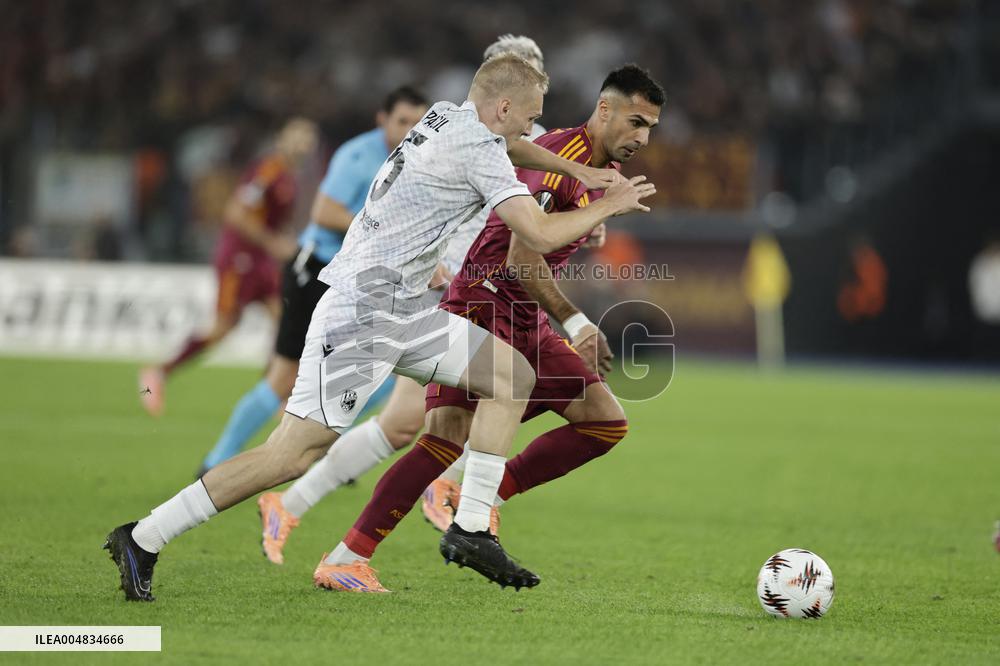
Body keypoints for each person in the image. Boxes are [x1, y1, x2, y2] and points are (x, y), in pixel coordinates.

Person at [103, 53, 655, 601]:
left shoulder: (446, 115)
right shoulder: (480, 154)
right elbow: (536, 229)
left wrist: (579, 172)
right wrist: (609, 204)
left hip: (404, 308)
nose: (534, 126)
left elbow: (511, 143)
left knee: (510, 375)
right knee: (288, 456)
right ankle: (145, 536)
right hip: (363, 314)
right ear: (505, 106)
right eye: (529, 113)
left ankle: (470, 522)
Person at [307, 64, 664, 593]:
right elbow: (525, 254)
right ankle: (360, 552)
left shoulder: (592, 169)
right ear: (604, 109)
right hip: (484, 304)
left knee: (603, 422)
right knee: (442, 439)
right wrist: (579, 321)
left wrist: (593, 214)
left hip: (525, 320)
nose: (642, 137)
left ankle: (480, 504)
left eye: (650, 127)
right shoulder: (565, 158)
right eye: (635, 121)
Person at [256, 34, 554, 564]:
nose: (531, 112)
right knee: (424, 419)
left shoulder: (527, 136)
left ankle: (303, 507)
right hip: (433, 291)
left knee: (415, 423)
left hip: (462, 289)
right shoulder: (469, 130)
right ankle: (326, 512)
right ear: (499, 88)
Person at [196, 87, 429, 475]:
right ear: (382, 120)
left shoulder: (416, 157)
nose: (409, 129)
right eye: (402, 121)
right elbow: (323, 212)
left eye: (416, 122)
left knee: (383, 373)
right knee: (283, 377)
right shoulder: (358, 155)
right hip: (314, 272)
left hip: (357, 279)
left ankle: (324, 453)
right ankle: (216, 461)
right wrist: (382, 228)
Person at [139, 118, 318, 417]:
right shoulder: (267, 171)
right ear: (281, 139)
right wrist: (274, 243)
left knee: (287, 321)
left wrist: (286, 242)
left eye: (308, 138)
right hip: (240, 260)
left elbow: (271, 221)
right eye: (297, 136)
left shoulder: (289, 176)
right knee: (223, 328)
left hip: (261, 261)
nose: (303, 143)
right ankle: (157, 373)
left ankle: (273, 394)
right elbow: (236, 213)